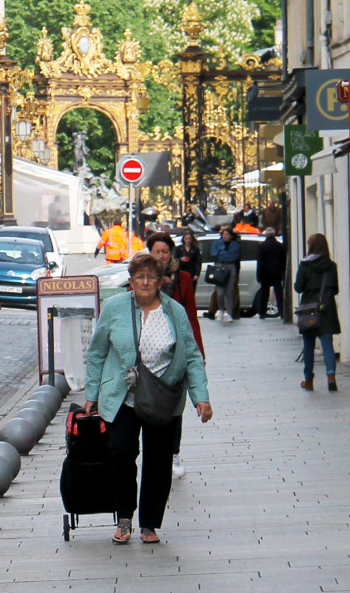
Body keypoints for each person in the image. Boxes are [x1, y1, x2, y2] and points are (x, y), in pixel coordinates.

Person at [83, 251, 212, 545]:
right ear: (130, 281)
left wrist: (200, 397)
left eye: (151, 277)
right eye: (139, 277)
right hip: (122, 396)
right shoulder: (114, 308)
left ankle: (150, 524)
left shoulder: (174, 312)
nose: (145, 282)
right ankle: (125, 517)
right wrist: (92, 393)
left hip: (162, 396)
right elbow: (97, 352)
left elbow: (191, 355)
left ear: (160, 281)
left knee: (158, 460)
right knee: (121, 454)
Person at [147, 232, 204, 479]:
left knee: (174, 406)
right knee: (146, 404)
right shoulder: (144, 279)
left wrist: (198, 353)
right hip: (149, 352)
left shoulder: (182, 279)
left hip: (176, 351)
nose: (161, 256)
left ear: (172, 253)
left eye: (165, 251)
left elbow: (191, 316)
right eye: (156, 252)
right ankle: (151, 453)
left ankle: (172, 452)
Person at [293, 232, 340, 392]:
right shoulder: (331, 266)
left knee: (308, 345)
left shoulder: (305, 265)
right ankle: (331, 376)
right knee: (327, 344)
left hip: (308, 308)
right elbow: (335, 289)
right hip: (326, 308)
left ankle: (309, 379)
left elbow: (298, 287)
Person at [210, 225, 241, 323]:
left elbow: (234, 256)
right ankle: (221, 309)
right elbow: (214, 253)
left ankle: (229, 313)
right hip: (220, 267)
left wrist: (222, 253)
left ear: (231, 236)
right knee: (220, 292)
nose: (225, 236)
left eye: (227, 234)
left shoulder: (235, 244)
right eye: (223, 234)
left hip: (230, 268)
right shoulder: (217, 243)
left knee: (230, 292)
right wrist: (224, 254)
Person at [256, 226, 286, 320]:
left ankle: (262, 312)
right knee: (279, 292)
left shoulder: (262, 246)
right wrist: (283, 271)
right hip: (277, 272)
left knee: (264, 293)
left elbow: (260, 262)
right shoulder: (280, 246)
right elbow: (283, 260)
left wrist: (259, 276)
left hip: (265, 273)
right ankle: (282, 311)